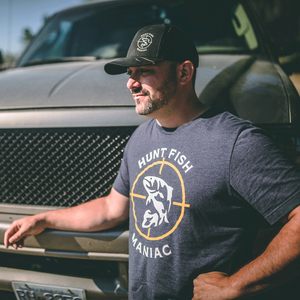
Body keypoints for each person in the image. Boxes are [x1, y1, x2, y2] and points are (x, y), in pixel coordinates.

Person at [4, 24, 300, 300]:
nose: (131, 83)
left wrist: (236, 284)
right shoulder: (142, 136)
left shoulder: (236, 141)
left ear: (184, 73)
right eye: (130, 72)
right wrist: (44, 219)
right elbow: (112, 208)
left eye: (145, 71)